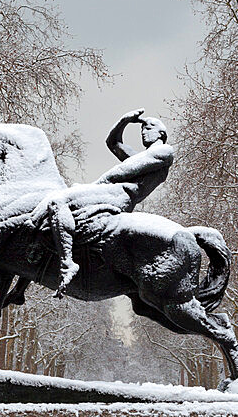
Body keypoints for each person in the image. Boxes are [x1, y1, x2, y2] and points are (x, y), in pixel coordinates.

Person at [27, 108, 173, 296]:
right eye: (142, 128)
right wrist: (124, 120)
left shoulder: (163, 152)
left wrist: (92, 186)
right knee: (57, 199)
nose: (144, 131)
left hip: (119, 196)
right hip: (110, 191)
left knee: (59, 200)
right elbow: (113, 143)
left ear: (161, 133)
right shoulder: (142, 156)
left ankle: (67, 263)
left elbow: (121, 172)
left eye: (149, 127)